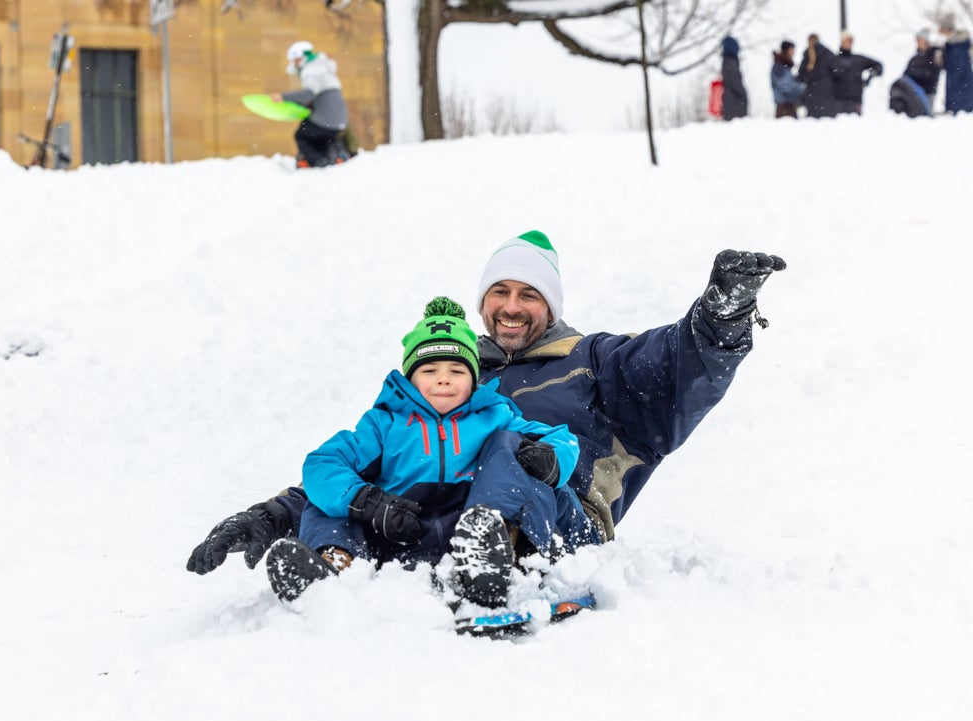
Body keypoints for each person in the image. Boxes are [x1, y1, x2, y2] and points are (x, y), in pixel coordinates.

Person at [187, 231, 788, 589]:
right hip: (431, 519)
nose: (511, 306)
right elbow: (375, 457)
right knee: (357, 492)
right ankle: (331, 573)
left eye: (528, 294)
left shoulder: (593, 361)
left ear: (548, 305)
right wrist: (270, 515)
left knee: (505, 447)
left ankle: (493, 537)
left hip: (551, 522)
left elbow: (676, 368)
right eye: (499, 291)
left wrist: (719, 318)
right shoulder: (446, 375)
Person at [265, 295, 589, 607]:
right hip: (401, 531)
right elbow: (323, 463)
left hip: (471, 530)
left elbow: (561, 438)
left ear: (474, 379)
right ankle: (334, 566)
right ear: (410, 378)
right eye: (430, 371)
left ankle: (495, 551)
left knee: (515, 451)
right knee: (327, 501)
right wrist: (367, 503)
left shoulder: (495, 416)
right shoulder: (385, 425)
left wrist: (551, 459)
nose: (444, 380)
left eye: (457, 371)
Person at [271, 40, 350, 168]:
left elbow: (308, 94)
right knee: (325, 135)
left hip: (325, 118)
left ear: (303, 57)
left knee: (301, 134)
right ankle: (338, 156)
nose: (294, 64)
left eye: (296, 60)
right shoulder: (323, 68)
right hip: (340, 119)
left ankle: (318, 162)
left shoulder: (310, 70)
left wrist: (283, 97)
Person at [832, 30, 883, 115]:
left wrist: (870, 76)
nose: (848, 43)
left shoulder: (859, 60)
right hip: (837, 102)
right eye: (846, 41)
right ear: (842, 42)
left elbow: (878, 66)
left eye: (850, 41)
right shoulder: (833, 60)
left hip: (855, 101)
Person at [938, 14, 973, 114]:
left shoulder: (956, 46)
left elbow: (958, 70)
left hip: (961, 94)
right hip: (959, 92)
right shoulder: (952, 45)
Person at [799, 34, 838, 118]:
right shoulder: (827, 52)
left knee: (813, 124)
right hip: (827, 93)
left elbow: (801, 74)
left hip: (812, 95)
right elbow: (836, 71)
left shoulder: (807, 54)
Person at [771, 40, 806, 118]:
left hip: (789, 106)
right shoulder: (779, 66)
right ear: (786, 50)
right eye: (791, 50)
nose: (794, 52)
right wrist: (803, 91)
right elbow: (785, 86)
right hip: (784, 108)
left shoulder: (784, 66)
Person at [720, 36, 748, 120]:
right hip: (734, 102)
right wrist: (743, 94)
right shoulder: (730, 62)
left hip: (730, 101)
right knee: (736, 127)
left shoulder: (727, 62)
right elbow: (735, 82)